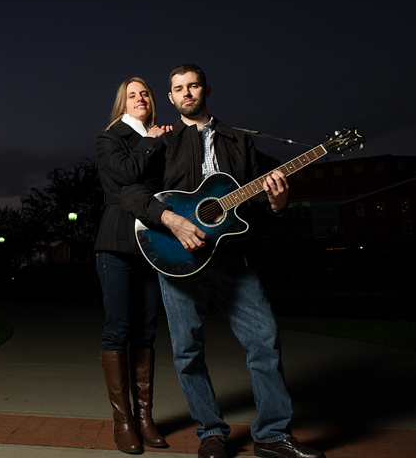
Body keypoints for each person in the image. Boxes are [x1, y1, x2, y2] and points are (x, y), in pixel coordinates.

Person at [120, 64, 324, 458]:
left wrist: (278, 201)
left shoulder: (239, 140)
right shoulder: (160, 141)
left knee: (264, 340)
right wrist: (172, 221)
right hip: (176, 257)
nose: (186, 93)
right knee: (187, 350)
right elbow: (131, 194)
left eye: (193, 85)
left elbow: (258, 200)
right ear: (171, 97)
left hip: (232, 256)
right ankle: (210, 431)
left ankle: (273, 434)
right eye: (178, 88)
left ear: (206, 89)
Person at [94, 77, 170, 454]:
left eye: (145, 93)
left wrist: (163, 140)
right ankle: (123, 423)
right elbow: (126, 175)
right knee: (118, 329)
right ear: (123, 105)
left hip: (154, 244)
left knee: (146, 331)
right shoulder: (110, 138)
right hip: (117, 245)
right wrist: (152, 140)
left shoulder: (160, 136)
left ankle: (145, 419)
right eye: (132, 95)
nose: (141, 98)